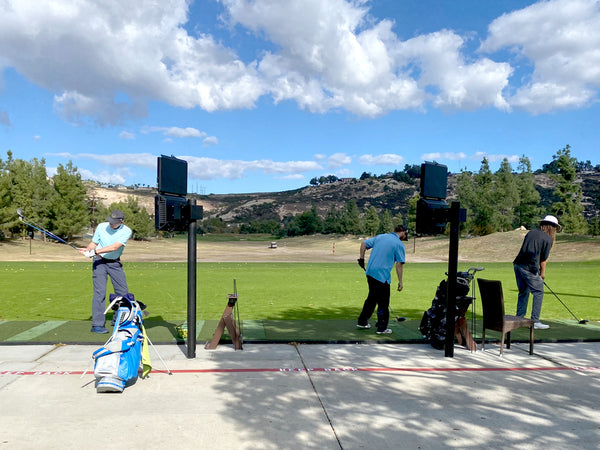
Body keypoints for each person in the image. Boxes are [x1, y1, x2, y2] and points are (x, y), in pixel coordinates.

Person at [79, 210, 132, 334]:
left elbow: (115, 247)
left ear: (121, 222)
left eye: (114, 223)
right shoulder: (102, 226)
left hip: (115, 263)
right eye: (110, 221)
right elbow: (94, 242)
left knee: (122, 293)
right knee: (99, 293)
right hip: (99, 262)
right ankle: (97, 324)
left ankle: (118, 320)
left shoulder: (126, 231)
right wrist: (88, 250)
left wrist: (95, 252)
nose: (111, 224)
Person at [357, 224, 408, 334]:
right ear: (403, 232)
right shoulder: (399, 244)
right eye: (405, 234)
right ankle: (382, 327)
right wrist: (400, 282)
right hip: (381, 275)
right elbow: (399, 264)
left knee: (372, 298)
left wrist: (361, 259)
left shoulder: (381, 236)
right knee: (383, 302)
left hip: (370, 272)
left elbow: (363, 244)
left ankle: (362, 321)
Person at [514, 215, 560, 330]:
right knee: (538, 292)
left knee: (523, 291)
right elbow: (543, 259)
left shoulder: (531, 232)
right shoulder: (548, 239)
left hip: (518, 265)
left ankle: (519, 318)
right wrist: (542, 274)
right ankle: (535, 321)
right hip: (529, 268)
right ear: (553, 227)